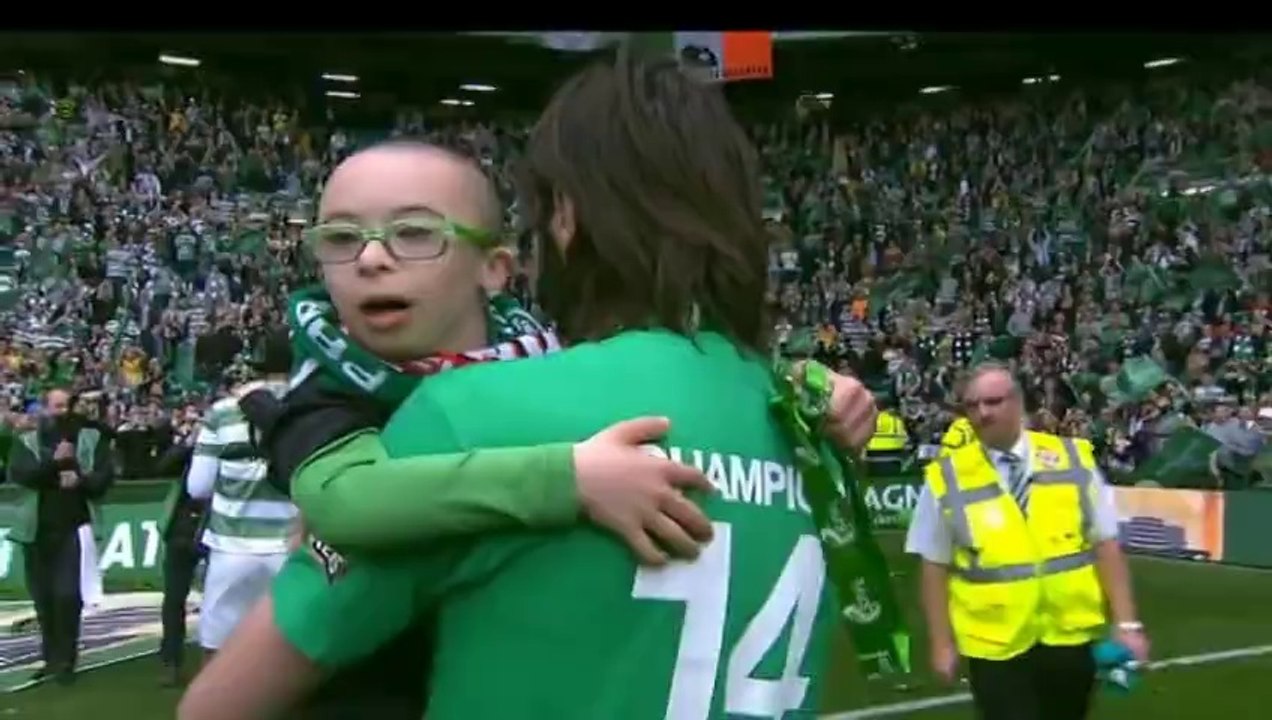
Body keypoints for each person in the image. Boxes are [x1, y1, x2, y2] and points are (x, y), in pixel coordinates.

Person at [180, 45, 878, 720]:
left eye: (417, 234)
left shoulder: (467, 414)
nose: (373, 261)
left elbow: (218, 705)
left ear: (565, 217)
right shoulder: (807, 415)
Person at [905, 363, 1151, 720]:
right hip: (995, 644)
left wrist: (1127, 624)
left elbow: (1105, 543)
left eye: (992, 402)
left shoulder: (1071, 458)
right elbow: (933, 566)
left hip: (1069, 637)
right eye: (972, 406)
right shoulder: (946, 476)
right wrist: (942, 643)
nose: (982, 413)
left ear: (1018, 403)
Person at [184, 330, 296, 659]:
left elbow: (198, 487)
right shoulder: (309, 407)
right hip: (292, 545)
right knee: (291, 647)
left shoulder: (223, 411)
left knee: (218, 646)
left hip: (231, 547)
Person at [5, 387, 114, 685]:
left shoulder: (92, 439)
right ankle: (51, 657)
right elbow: (21, 475)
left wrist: (79, 476)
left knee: (67, 596)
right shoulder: (27, 440)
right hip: (35, 530)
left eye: (66, 405)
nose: (62, 412)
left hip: (76, 527)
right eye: (56, 406)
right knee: (43, 599)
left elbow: (104, 479)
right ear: (45, 408)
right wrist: (55, 463)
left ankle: (66, 661)